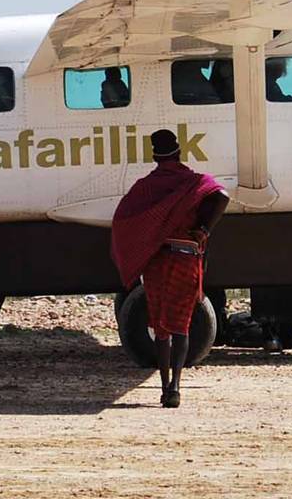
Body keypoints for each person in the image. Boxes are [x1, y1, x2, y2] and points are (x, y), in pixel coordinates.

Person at [110, 129, 230, 408]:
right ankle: (176, 385)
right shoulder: (193, 181)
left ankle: (164, 386)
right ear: (178, 152)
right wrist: (203, 229)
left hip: (156, 262)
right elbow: (222, 195)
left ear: (154, 156)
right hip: (184, 258)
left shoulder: (146, 187)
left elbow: (124, 218)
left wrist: (140, 245)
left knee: (159, 325)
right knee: (181, 326)